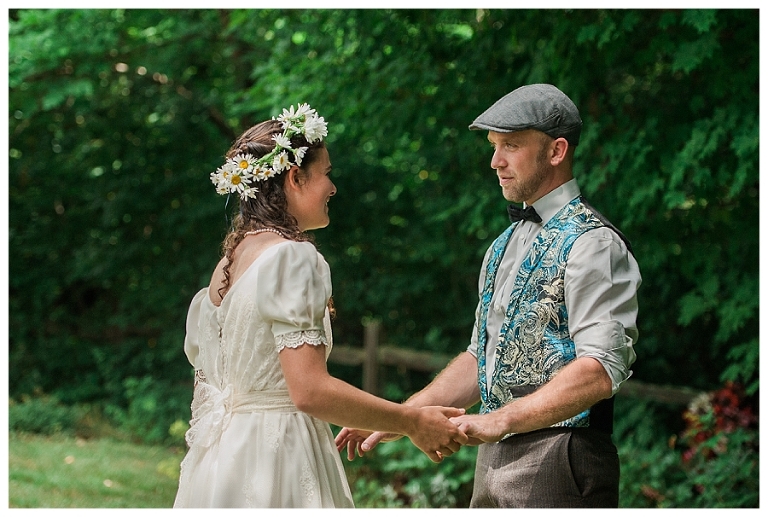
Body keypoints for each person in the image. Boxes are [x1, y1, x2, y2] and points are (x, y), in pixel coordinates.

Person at [336, 84, 641, 508]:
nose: (495, 161)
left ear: (556, 151)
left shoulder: (595, 244)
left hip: (563, 454)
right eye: (494, 146)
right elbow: (481, 355)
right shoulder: (504, 244)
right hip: (492, 457)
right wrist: (405, 415)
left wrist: (500, 420)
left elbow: (600, 368)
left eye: (511, 145)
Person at [173, 103, 467, 508]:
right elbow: (309, 390)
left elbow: (208, 390)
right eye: (326, 174)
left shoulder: (229, 263)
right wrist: (411, 422)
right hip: (278, 459)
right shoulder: (292, 258)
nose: (333, 187)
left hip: (221, 463)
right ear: (296, 176)